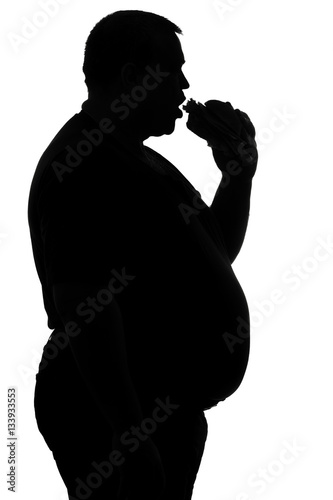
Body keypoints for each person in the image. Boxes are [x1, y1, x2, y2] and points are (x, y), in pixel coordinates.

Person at [28, 10, 258, 500]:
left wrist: (238, 174)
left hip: (155, 410)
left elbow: (217, 255)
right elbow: (85, 306)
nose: (185, 84)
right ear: (133, 77)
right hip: (106, 413)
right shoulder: (85, 166)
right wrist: (130, 435)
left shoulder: (139, 158)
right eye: (172, 69)